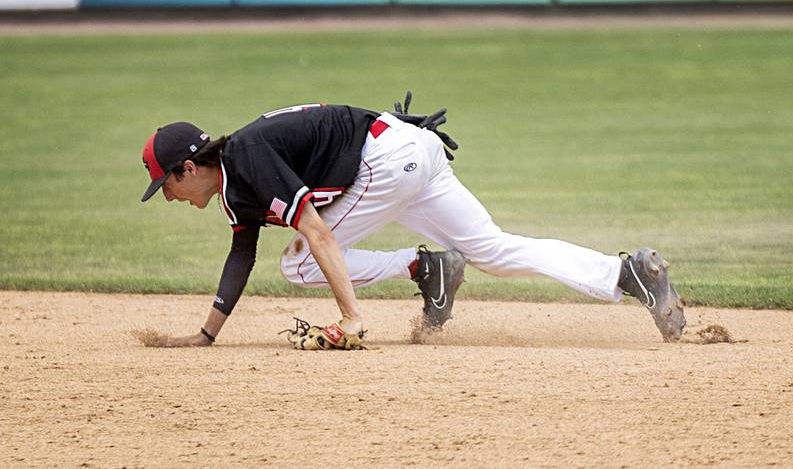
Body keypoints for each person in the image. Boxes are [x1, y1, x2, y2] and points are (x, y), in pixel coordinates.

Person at [140, 95, 686, 349]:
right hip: (402, 153)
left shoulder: (249, 157)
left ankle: (424, 268)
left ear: (190, 167)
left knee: (304, 261)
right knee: (493, 252)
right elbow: (242, 254)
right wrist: (205, 336)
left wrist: (350, 317)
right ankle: (626, 274)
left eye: (167, 184)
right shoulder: (237, 183)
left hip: (385, 163)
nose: (169, 197)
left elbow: (319, 232)